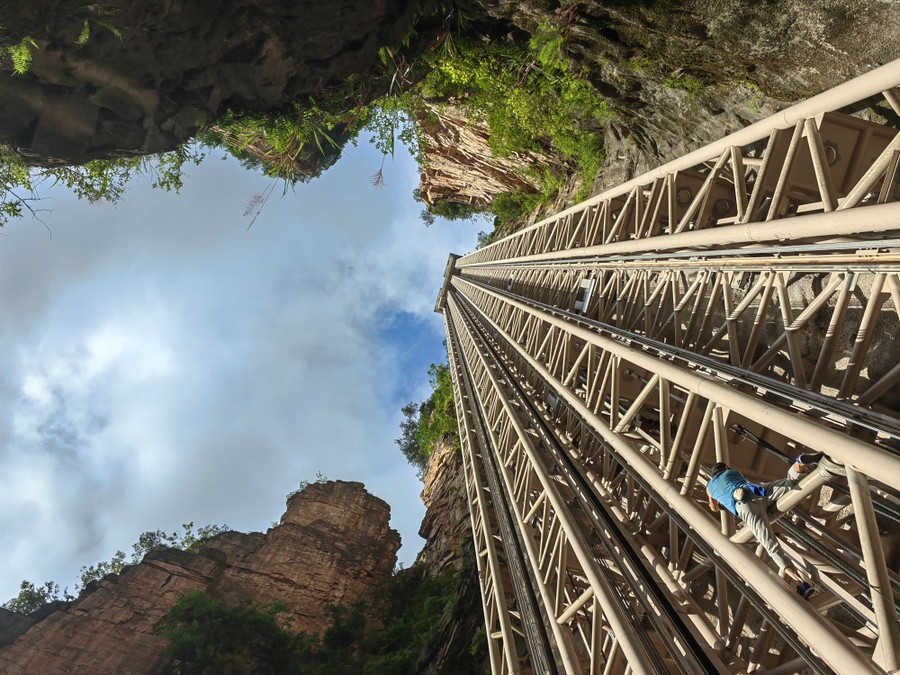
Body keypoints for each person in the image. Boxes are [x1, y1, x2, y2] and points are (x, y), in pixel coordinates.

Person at [707, 453, 823, 597]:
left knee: (771, 546)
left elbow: (714, 507)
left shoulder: (709, 486)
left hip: (744, 505)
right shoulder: (732, 472)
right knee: (789, 484)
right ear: (725, 467)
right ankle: (799, 463)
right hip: (757, 491)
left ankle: (801, 583)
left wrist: (720, 501)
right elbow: (739, 479)